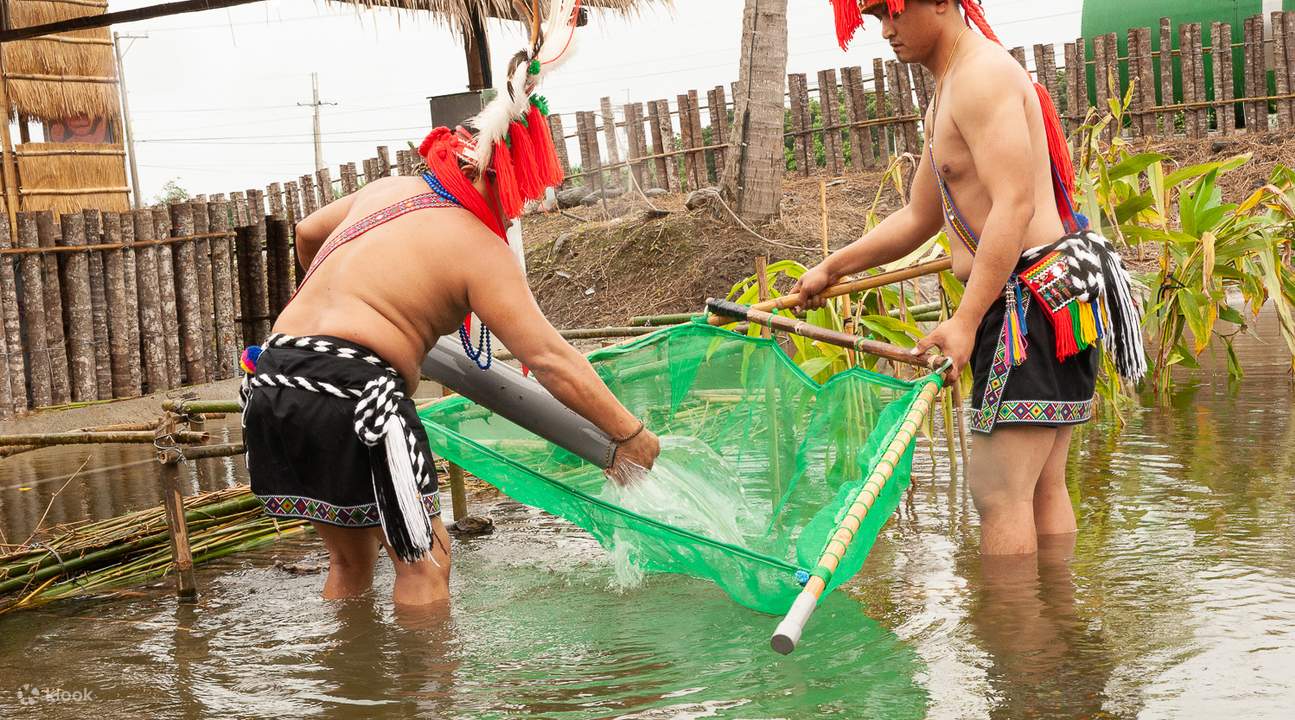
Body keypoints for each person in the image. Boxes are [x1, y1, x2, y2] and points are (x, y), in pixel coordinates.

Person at [240, 1, 659, 605]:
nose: (517, 210)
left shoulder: (388, 189)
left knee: (351, 565)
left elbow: (306, 233)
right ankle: (427, 699)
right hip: (358, 394)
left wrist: (338, 310)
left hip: (273, 377)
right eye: (519, 194)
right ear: (499, 177)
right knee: (425, 565)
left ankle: (354, 693)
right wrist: (631, 434)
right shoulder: (477, 246)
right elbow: (549, 359)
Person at [800, 0, 1145, 555]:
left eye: (892, 13)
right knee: (1036, 490)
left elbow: (1013, 205)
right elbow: (920, 216)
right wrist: (829, 268)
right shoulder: (953, 87)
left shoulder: (981, 76)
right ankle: (1059, 630)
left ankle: (1017, 640)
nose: (885, 31)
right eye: (873, 19)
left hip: (1026, 302)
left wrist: (963, 322)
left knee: (1000, 495)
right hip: (1051, 294)